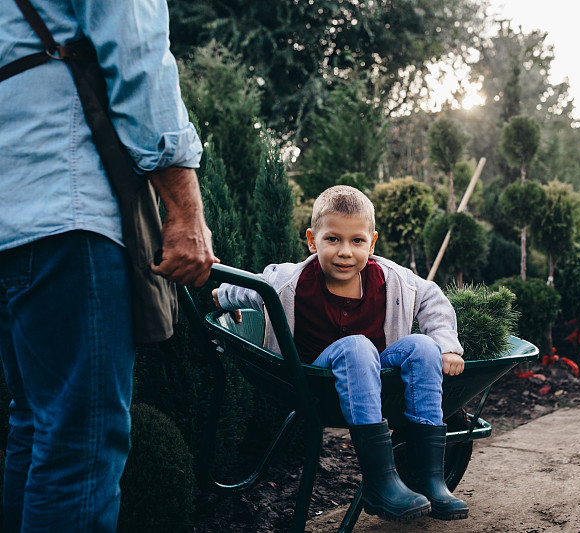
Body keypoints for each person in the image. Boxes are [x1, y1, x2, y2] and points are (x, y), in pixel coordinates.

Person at [0, 1, 217, 532]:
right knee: (79, 442)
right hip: (65, 212)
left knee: (33, 427)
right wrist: (186, 209)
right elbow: (137, 54)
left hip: (10, 220)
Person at [212, 185, 469, 522]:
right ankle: (379, 481)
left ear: (372, 243)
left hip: (374, 373)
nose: (345, 252)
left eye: (357, 241)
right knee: (357, 345)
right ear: (312, 239)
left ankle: (427, 477)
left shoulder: (391, 279)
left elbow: (432, 298)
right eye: (333, 239)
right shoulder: (292, 281)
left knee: (422, 346)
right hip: (316, 379)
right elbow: (252, 287)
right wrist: (220, 296)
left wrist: (446, 344)